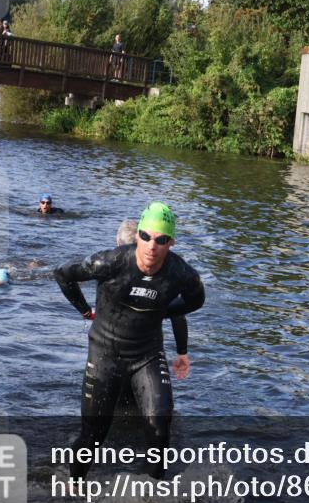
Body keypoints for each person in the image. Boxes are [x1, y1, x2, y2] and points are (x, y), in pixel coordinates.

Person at [54, 202, 203, 479]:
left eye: (160, 240)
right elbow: (63, 275)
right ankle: (73, 487)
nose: (151, 246)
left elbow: (196, 301)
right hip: (104, 354)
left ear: (171, 242)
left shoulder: (181, 273)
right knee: (93, 436)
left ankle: (154, 501)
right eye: (145, 236)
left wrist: (162, 312)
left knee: (160, 430)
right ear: (137, 236)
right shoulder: (109, 262)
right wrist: (85, 311)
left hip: (147, 354)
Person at [115, 219, 189, 368]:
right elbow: (178, 315)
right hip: (149, 350)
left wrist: (86, 312)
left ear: (117, 243)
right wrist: (182, 352)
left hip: (111, 349)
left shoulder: (110, 269)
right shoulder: (165, 276)